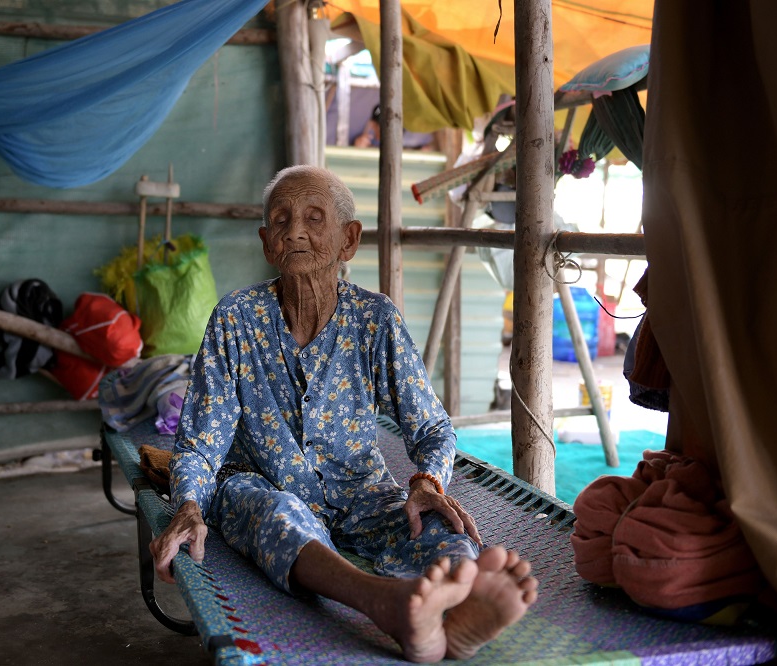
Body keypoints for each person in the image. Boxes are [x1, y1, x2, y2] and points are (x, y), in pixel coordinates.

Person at [150, 165, 538, 663]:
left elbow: (431, 426)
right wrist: (188, 505)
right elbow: (202, 443)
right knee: (270, 513)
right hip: (262, 484)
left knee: (434, 522)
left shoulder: (375, 319)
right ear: (268, 244)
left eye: (314, 217)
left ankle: (458, 611)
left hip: (361, 490)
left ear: (348, 240)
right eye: (282, 220)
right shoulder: (235, 318)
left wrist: (427, 481)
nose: (296, 231)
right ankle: (383, 603)